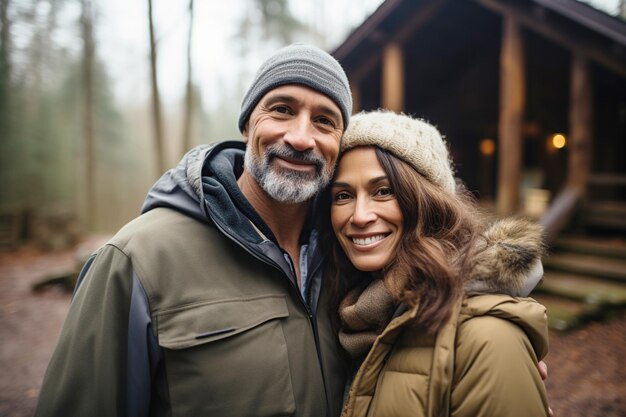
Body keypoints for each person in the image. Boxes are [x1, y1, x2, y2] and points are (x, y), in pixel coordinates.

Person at [34, 43, 353, 417]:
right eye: (282, 110)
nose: (301, 138)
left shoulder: (348, 256)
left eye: (325, 120)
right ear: (248, 123)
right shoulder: (136, 259)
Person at [318, 110, 550, 417]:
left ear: (429, 202)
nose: (360, 216)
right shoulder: (353, 317)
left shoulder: (487, 337)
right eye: (344, 195)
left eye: (383, 191)